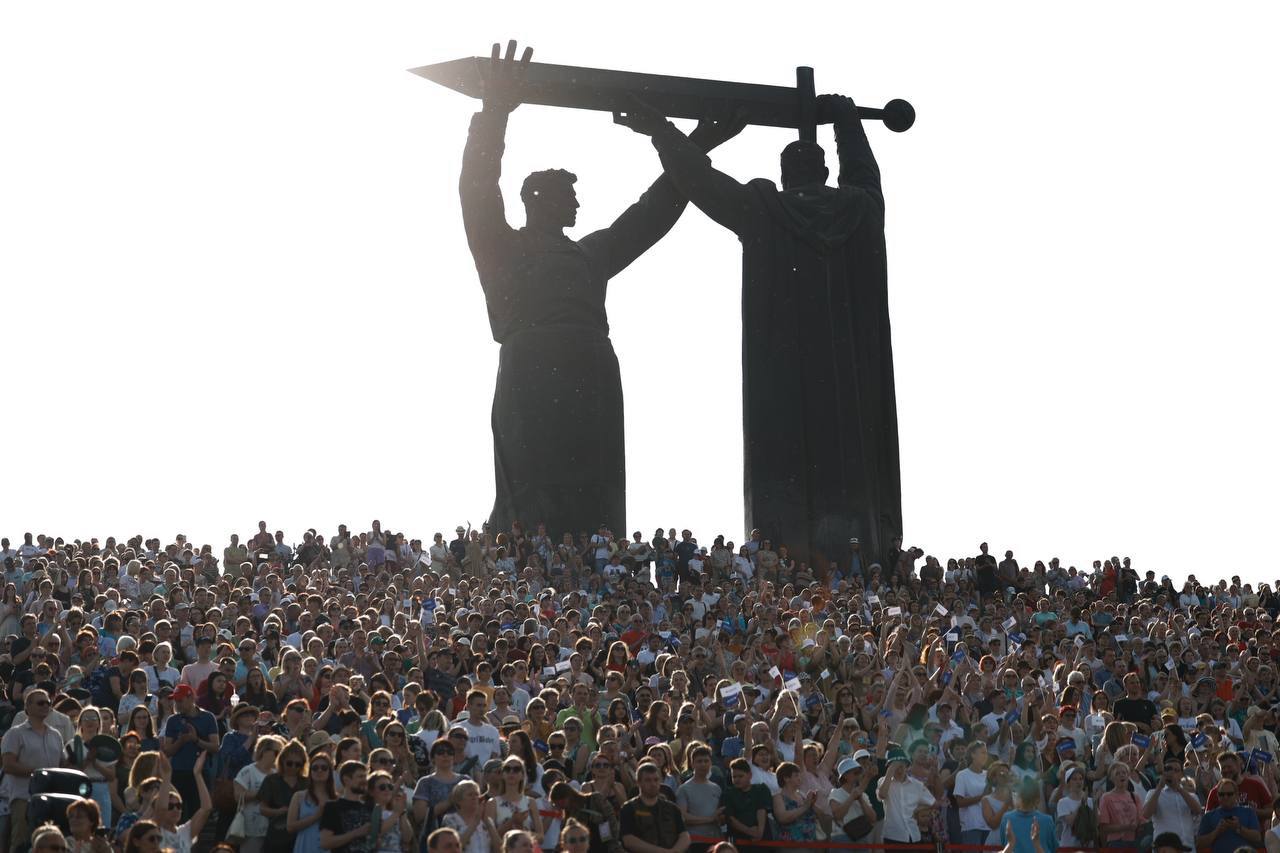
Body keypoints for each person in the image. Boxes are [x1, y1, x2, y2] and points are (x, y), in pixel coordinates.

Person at [459, 40, 743, 538]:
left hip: (591, 373)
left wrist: (697, 145)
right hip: (532, 371)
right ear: (538, 200)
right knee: (531, 482)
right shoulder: (502, 248)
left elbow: (649, 215)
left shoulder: (589, 254)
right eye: (568, 196)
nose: (577, 204)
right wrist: (495, 111)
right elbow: (477, 188)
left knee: (596, 487)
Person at [616, 92, 899, 565]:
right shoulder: (861, 210)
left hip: (784, 374)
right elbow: (865, 174)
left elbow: (698, 179)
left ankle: (790, 553)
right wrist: (847, 122)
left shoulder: (762, 210)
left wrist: (663, 132)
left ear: (786, 175)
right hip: (851, 377)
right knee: (851, 466)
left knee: (786, 466)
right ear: (824, 172)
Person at [1, 688, 66, 849]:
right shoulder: (15, 734)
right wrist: (39, 773)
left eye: (48, 703)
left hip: (52, 799)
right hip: (24, 799)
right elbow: (8, 765)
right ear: (27, 706)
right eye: (40, 703)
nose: (46, 706)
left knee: (50, 846)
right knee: (21, 843)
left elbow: (62, 765)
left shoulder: (56, 735)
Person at [161, 682, 219, 822]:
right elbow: (167, 751)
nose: (177, 704)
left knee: (198, 813)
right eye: (175, 701)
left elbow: (215, 747)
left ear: (191, 698)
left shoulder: (208, 718)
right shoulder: (173, 720)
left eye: (180, 701)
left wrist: (196, 740)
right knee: (176, 815)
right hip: (178, 772)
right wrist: (181, 741)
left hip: (200, 772)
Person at [877, 748, 933, 844]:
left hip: (914, 835)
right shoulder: (883, 781)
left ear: (906, 766)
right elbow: (882, 795)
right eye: (896, 767)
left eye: (902, 766)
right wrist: (891, 769)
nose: (899, 770)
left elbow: (930, 802)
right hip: (893, 836)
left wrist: (916, 811)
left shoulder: (915, 784)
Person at [321, 760, 375, 853]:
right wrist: (356, 833)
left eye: (365, 777)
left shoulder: (370, 807)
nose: (364, 780)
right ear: (346, 780)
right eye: (360, 776)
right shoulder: (332, 807)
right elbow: (325, 842)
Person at [288, 748, 335, 853]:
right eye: (315, 768)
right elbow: (290, 827)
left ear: (330, 772)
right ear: (310, 772)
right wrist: (316, 817)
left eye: (324, 768)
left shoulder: (336, 798)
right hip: (305, 847)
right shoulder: (299, 796)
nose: (319, 770)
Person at [1196, 779, 1262, 853]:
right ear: (1217, 795)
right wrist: (1217, 831)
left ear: (1236, 795)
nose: (1225, 797)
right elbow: (1199, 844)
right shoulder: (1209, 816)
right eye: (1221, 794)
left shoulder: (1248, 812)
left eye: (1229, 794)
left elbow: (1257, 837)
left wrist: (1239, 828)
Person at [996, 779, 1056, 853]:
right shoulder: (1048, 820)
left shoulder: (1007, 818)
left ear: (1018, 797)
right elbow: (1053, 847)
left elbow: (1004, 844)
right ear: (1037, 798)